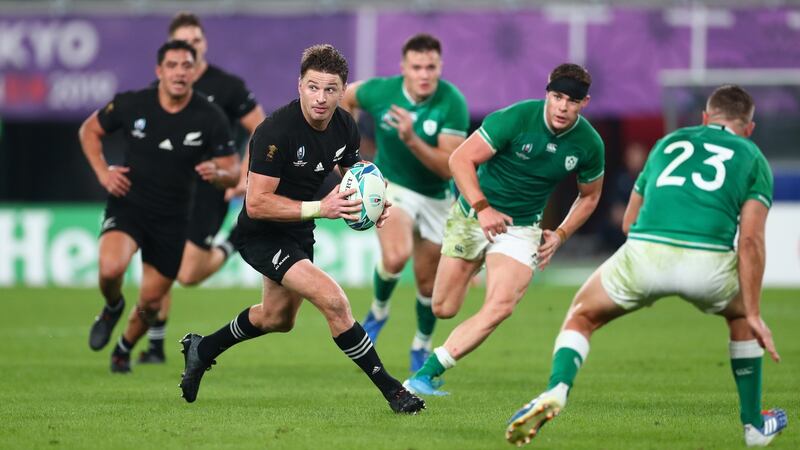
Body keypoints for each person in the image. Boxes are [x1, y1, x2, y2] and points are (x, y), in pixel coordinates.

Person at [505, 85, 788, 447]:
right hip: (708, 261)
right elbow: (750, 242)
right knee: (741, 320)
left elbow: (628, 222)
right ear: (749, 128)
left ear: (705, 118)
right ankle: (753, 425)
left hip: (645, 253)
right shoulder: (753, 157)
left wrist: (649, 275)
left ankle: (557, 389)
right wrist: (754, 312)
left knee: (582, 315)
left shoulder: (668, 143)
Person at [178, 44, 425, 414]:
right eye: (313, 87)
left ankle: (203, 348)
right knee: (335, 302)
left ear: (343, 91)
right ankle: (395, 392)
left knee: (277, 318)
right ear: (299, 86)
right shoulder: (274, 132)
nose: (320, 98)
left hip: (297, 229)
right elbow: (256, 203)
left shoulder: (345, 126)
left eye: (330, 89)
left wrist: (375, 201)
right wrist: (322, 208)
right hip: (261, 233)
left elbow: (355, 174)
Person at [403, 63, 605, 396]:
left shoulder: (589, 144)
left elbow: (590, 196)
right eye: (557, 97)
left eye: (572, 101)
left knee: (501, 306)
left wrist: (561, 234)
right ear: (547, 94)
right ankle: (476, 263)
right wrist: (483, 209)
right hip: (473, 215)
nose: (562, 107)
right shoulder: (515, 118)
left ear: (584, 103)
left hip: (521, 228)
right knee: (444, 308)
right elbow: (459, 160)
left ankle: (426, 374)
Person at [80, 40, 238, 373]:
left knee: (151, 302)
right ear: (159, 71)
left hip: (173, 219)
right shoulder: (134, 103)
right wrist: (103, 173)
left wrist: (219, 174)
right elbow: (89, 130)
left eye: (186, 66)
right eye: (172, 65)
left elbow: (233, 171)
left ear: (194, 72)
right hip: (129, 206)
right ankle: (112, 306)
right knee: (110, 269)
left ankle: (123, 348)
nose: (179, 72)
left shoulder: (210, 117)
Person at [137, 12, 267, 365]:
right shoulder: (160, 91)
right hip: (166, 191)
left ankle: (233, 240)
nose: (189, 48)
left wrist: (244, 174)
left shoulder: (227, 86)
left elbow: (260, 127)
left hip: (209, 191)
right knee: (158, 263)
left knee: (187, 274)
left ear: (204, 44)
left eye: (195, 41)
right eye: (182, 42)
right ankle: (154, 346)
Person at [341, 33, 469, 371]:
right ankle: (378, 312)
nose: (424, 74)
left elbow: (447, 168)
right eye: (417, 67)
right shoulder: (382, 91)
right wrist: (349, 149)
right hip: (392, 186)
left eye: (430, 67)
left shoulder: (452, 102)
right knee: (396, 256)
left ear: (440, 67)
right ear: (403, 68)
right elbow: (346, 97)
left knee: (427, 284)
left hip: (437, 197)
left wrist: (412, 138)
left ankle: (421, 345)